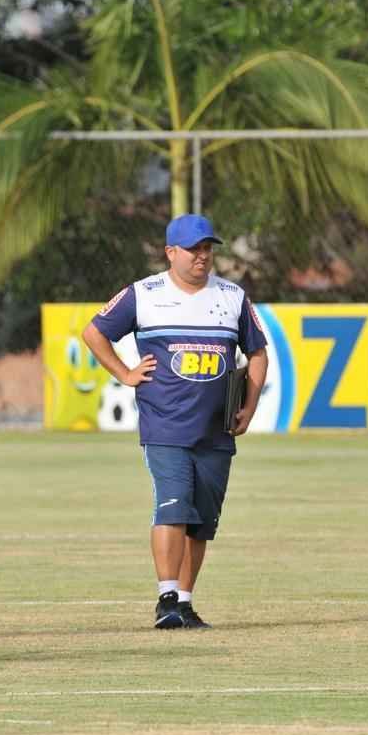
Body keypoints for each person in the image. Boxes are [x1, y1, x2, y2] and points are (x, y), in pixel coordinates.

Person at [82, 213, 267, 629]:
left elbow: (257, 352)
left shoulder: (232, 297)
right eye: (193, 249)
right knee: (173, 505)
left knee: (200, 521)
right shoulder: (143, 294)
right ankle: (165, 597)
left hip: (216, 427)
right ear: (171, 253)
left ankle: (184, 602)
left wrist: (249, 406)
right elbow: (94, 332)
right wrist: (125, 373)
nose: (202, 257)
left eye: (207, 249)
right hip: (165, 424)